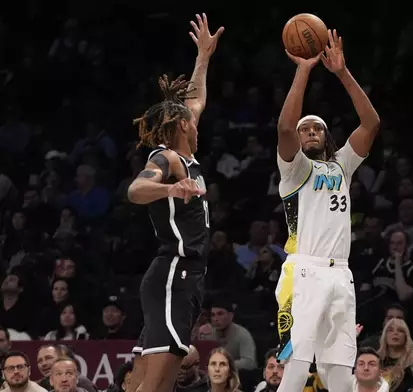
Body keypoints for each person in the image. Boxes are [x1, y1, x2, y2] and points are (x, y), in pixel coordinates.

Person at [274, 28, 380, 392]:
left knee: (338, 366)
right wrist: (304, 69)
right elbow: (285, 125)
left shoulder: (341, 167)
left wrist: (341, 73)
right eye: (306, 130)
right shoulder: (294, 170)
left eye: (318, 128)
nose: (311, 132)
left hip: (341, 274)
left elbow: (371, 124)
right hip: (304, 270)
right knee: (297, 362)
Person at [126, 13, 224, 392]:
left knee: (147, 385)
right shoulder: (165, 159)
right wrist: (171, 189)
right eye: (193, 121)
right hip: (174, 273)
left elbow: (196, 99)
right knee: (156, 387)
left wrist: (203, 57)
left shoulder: (186, 158)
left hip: (181, 277)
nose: (198, 123)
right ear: (183, 125)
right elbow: (135, 191)